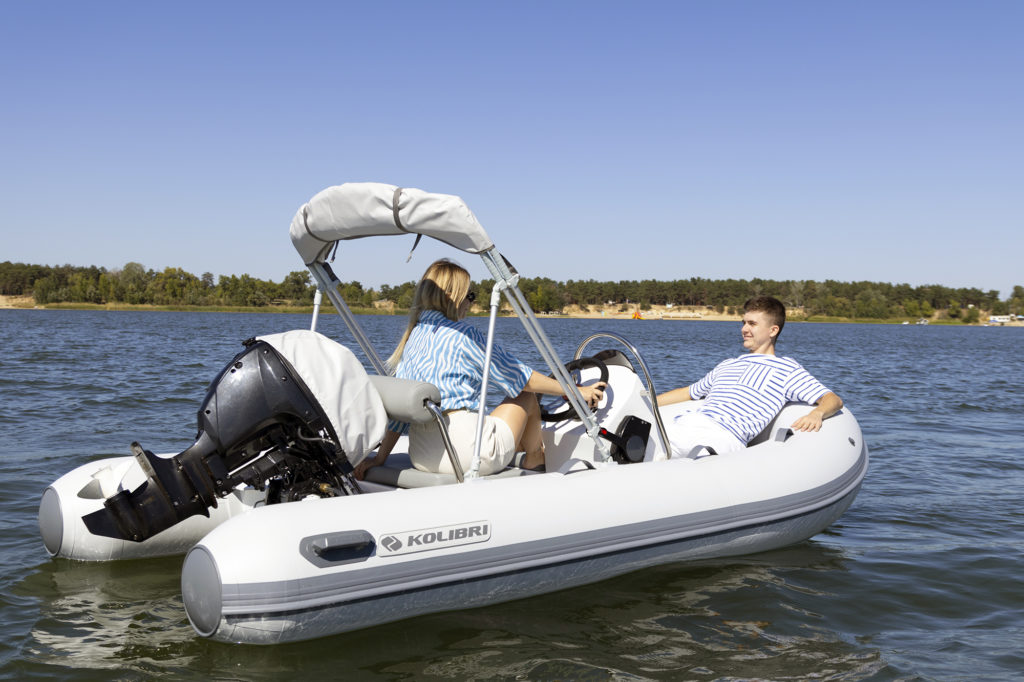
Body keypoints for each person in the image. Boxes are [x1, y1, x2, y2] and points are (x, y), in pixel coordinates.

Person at [354, 259, 605, 479]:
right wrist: (576, 391)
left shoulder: (413, 338)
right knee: (526, 396)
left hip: (422, 456)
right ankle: (535, 460)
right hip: (464, 456)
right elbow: (521, 377)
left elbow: (399, 417)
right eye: (470, 296)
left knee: (500, 409)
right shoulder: (465, 334)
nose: (471, 304)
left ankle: (523, 454)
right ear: (454, 297)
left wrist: (379, 459)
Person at [657, 295, 843, 459]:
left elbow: (832, 399)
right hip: (685, 425)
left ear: (773, 330)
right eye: (744, 323)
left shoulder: (786, 369)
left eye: (752, 324)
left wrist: (817, 413)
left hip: (721, 437)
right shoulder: (728, 364)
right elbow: (687, 393)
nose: (744, 329)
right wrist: (646, 402)